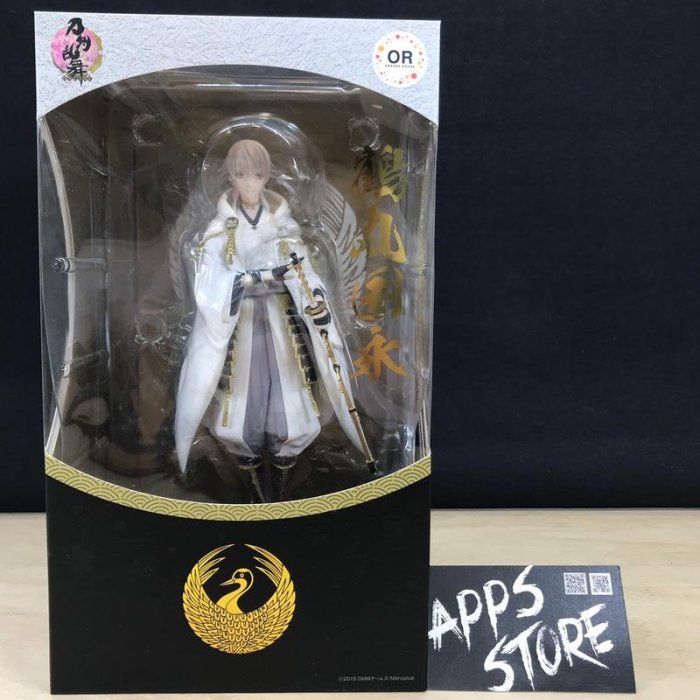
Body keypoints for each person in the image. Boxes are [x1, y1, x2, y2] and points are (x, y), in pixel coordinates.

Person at [174, 139, 364, 501]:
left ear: (267, 176)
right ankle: (246, 468)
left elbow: (304, 271)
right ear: (230, 176)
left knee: (288, 396)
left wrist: (315, 301)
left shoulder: (282, 224)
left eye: (257, 175)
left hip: (280, 319)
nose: (250, 183)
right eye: (241, 175)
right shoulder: (219, 229)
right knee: (242, 399)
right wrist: (246, 280)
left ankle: (284, 462)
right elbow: (209, 279)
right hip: (240, 321)